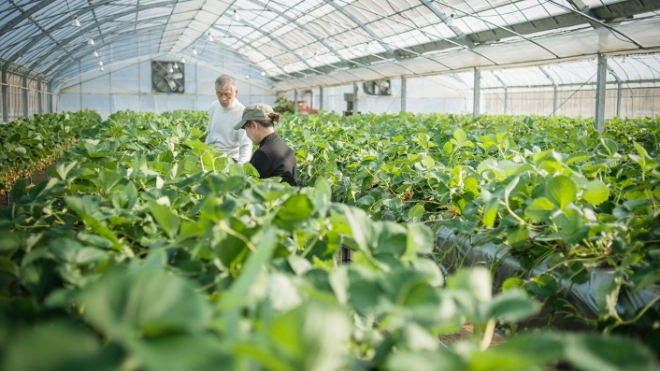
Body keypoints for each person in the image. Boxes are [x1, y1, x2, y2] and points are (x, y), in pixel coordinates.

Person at [233, 103, 297, 186]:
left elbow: (250, 189)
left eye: (246, 129)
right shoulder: (285, 148)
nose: (247, 134)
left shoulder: (264, 153)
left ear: (254, 125)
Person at [205, 75, 251, 164]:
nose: (223, 98)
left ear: (236, 92)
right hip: (211, 156)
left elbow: (246, 145)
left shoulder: (242, 113)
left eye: (227, 94)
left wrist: (240, 169)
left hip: (231, 159)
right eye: (219, 93)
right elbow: (210, 134)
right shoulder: (214, 106)